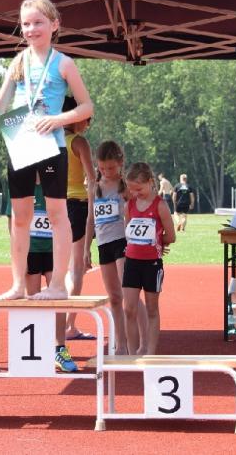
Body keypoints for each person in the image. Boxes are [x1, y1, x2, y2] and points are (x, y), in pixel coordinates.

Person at [0, 0, 94, 300]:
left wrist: (58, 119)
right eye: (26, 24)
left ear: (54, 25)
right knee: (20, 217)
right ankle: (18, 284)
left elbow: (86, 106)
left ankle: (58, 285)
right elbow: (0, 104)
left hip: (52, 145)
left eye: (38, 22)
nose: (31, 29)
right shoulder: (18, 62)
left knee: (57, 214)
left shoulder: (64, 63)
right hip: (21, 143)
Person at [85, 141, 148, 355]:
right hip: (103, 245)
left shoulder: (125, 186)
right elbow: (90, 219)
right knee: (113, 297)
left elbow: (140, 210)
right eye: (102, 168)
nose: (107, 172)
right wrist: (86, 248)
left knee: (129, 294)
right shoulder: (94, 187)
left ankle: (144, 343)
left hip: (123, 242)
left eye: (111, 168)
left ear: (120, 163)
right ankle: (120, 344)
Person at [23, 179, 78, 372]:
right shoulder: (24, 186)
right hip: (31, 251)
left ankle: (59, 348)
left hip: (53, 251)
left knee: (58, 301)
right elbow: (13, 223)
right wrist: (19, 259)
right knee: (33, 301)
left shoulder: (55, 186)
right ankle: (36, 348)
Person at [123, 162, 176, 355]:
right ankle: (132, 354)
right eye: (131, 189)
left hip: (152, 264)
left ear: (150, 182)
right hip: (132, 262)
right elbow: (128, 231)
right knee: (129, 309)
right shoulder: (129, 205)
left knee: (152, 309)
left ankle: (151, 352)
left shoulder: (160, 205)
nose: (135, 193)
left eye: (139, 189)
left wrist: (158, 242)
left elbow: (171, 236)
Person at [61, 96, 97, 340]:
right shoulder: (79, 142)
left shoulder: (53, 141)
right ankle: (69, 325)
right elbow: (92, 179)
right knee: (78, 267)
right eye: (86, 118)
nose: (88, 123)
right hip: (78, 205)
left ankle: (62, 322)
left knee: (64, 266)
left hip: (59, 206)